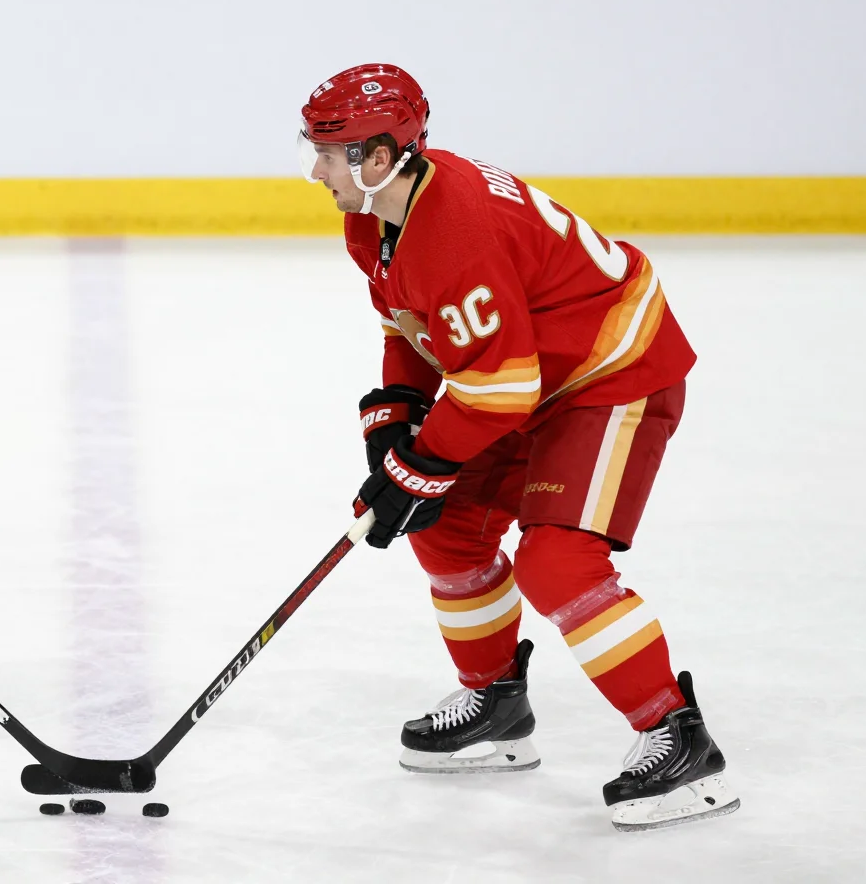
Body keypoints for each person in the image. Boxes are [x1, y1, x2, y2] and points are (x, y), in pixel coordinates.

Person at [299, 63, 738, 831]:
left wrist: (418, 466)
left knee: (556, 561)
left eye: (330, 152)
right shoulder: (371, 216)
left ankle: (677, 738)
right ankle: (497, 704)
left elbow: (498, 392)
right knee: (446, 529)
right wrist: (398, 420)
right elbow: (414, 326)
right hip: (521, 372)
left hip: (608, 371)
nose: (315, 171)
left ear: (378, 157)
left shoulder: (457, 229)